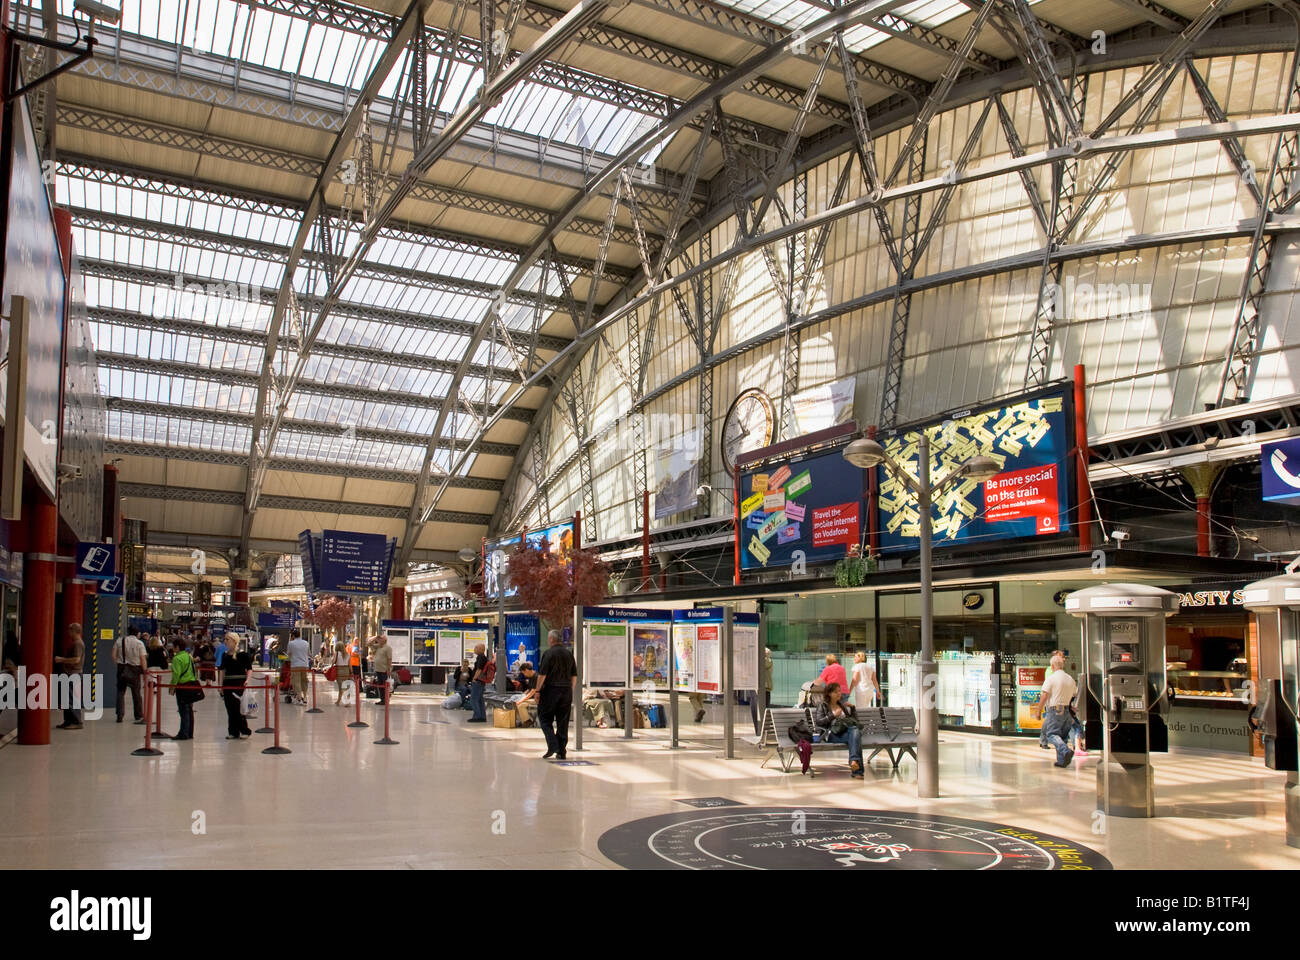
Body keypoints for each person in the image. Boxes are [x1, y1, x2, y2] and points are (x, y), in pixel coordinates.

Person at [535, 629, 576, 758]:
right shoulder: (569, 654)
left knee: (544, 718)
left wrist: (537, 691)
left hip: (551, 690)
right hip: (566, 690)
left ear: (552, 639)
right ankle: (562, 751)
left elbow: (542, 675)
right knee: (563, 721)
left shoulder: (548, 653)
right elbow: (574, 676)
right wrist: (571, 690)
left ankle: (553, 744)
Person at [813, 681, 864, 778]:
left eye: (839, 691)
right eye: (836, 692)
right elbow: (819, 722)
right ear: (829, 693)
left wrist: (852, 708)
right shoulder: (822, 705)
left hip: (845, 732)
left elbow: (854, 721)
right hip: (831, 734)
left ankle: (854, 762)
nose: (839, 694)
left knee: (855, 732)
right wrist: (833, 715)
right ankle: (857, 770)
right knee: (855, 737)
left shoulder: (841, 705)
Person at [1034, 654, 1077, 767]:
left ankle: (1065, 750)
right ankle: (1062, 761)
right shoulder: (1070, 679)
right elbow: (1074, 694)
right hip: (1067, 711)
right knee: (1062, 736)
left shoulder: (1051, 678)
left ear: (1052, 666)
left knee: (1051, 734)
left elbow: (1044, 696)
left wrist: (1038, 710)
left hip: (1055, 711)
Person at [218, 640, 253, 739]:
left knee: (238, 707)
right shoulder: (225, 655)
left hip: (239, 683)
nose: (226, 642)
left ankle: (244, 730)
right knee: (229, 708)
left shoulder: (243, 654)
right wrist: (220, 685)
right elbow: (221, 671)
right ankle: (233, 731)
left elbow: (249, 668)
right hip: (228, 683)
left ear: (234, 642)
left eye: (228, 640)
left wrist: (247, 680)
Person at [53, 623, 86, 730]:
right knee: (67, 698)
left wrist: (61, 659)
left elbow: (76, 659)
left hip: (73, 674)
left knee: (72, 698)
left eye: (69, 631)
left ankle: (76, 721)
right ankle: (68, 720)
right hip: (70, 674)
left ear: (74, 631)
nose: (68, 633)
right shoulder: (76, 643)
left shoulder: (77, 644)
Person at [112, 628, 148, 724]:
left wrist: (119, 663)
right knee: (136, 693)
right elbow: (142, 658)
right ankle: (138, 715)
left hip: (121, 668)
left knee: (120, 692)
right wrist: (145, 671)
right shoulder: (139, 643)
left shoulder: (119, 640)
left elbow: (113, 655)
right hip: (134, 669)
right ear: (137, 633)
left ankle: (119, 715)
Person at [169, 638, 199, 740]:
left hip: (182, 686)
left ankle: (183, 733)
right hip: (190, 684)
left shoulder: (177, 659)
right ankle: (190, 733)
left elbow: (176, 675)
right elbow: (194, 670)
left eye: (173, 646)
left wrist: (172, 687)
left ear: (177, 647)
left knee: (183, 711)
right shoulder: (188, 656)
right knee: (189, 710)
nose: (173, 648)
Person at [751, 647, 774, 736]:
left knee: (763, 711)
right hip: (758, 688)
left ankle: (761, 731)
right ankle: (759, 731)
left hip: (763, 688)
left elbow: (765, 664)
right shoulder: (764, 660)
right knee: (758, 710)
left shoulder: (767, 661)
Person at [286, 631, 310, 705]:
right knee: (304, 681)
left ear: (293, 636)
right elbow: (308, 653)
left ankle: (299, 697)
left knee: (296, 681)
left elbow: (289, 654)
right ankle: (305, 697)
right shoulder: (306, 643)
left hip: (295, 665)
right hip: (304, 665)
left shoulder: (291, 643)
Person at [467, 643, 488, 723]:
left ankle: (477, 716)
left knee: (473, 699)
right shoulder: (483, 657)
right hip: (481, 681)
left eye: (476, 647)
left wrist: (474, 679)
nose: (474, 649)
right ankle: (482, 716)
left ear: (481, 649)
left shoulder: (481, 658)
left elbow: (479, 670)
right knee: (479, 699)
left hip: (478, 681)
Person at [370, 634, 392, 704]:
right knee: (380, 685)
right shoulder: (378, 646)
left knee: (384, 685)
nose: (379, 640)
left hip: (384, 669)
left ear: (384, 640)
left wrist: (388, 669)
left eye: (381, 639)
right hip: (378, 669)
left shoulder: (388, 648)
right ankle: (382, 700)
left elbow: (389, 659)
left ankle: (386, 699)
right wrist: (375, 637)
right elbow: (368, 643)